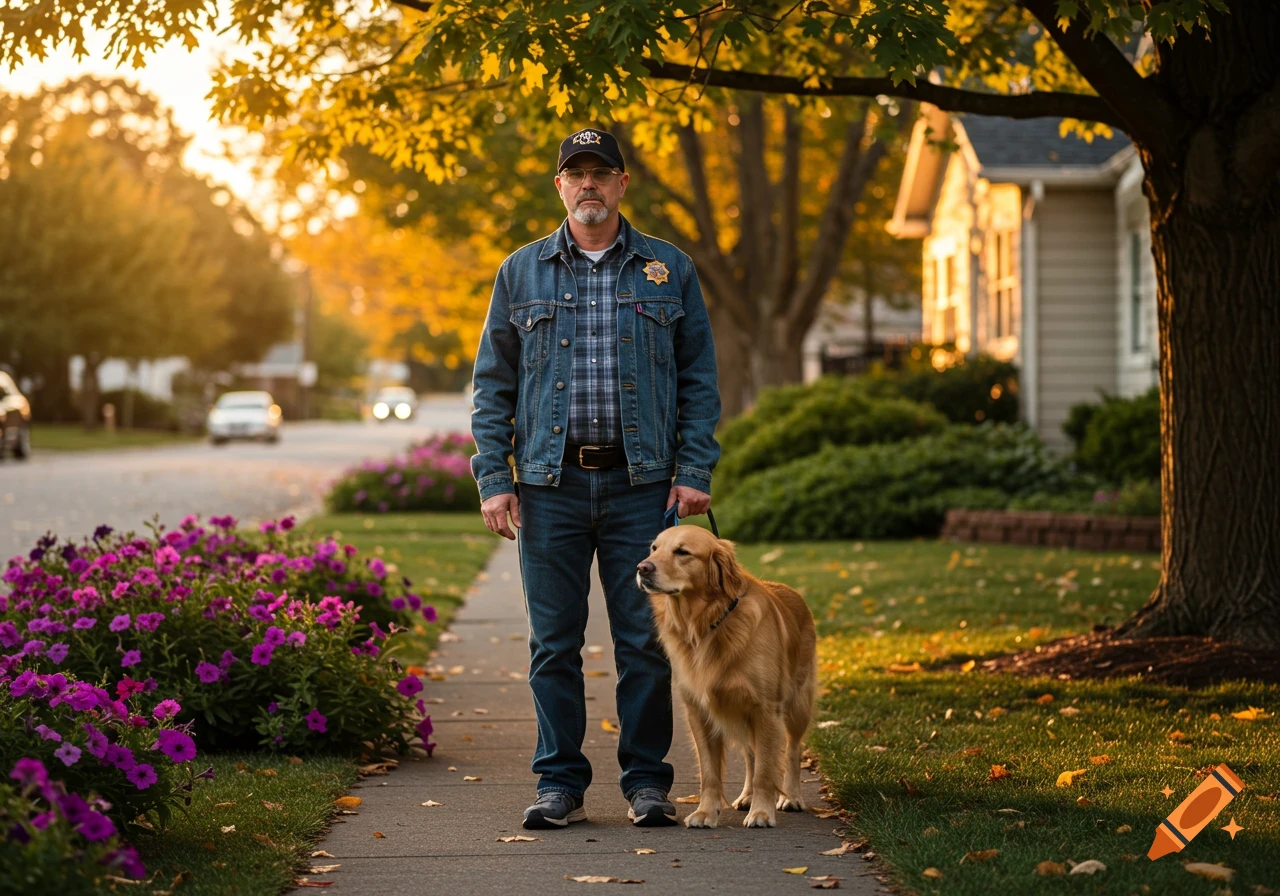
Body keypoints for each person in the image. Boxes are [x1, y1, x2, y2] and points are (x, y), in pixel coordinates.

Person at [469, 126, 721, 829]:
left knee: (644, 641)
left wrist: (693, 470)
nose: (588, 185)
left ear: (621, 184)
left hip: (643, 486)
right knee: (554, 643)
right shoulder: (520, 272)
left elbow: (700, 378)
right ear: (559, 186)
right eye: (574, 173)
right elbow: (493, 384)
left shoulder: (669, 269)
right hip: (549, 488)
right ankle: (560, 786)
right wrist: (495, 477)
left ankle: (648, 784)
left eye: (600, 173)